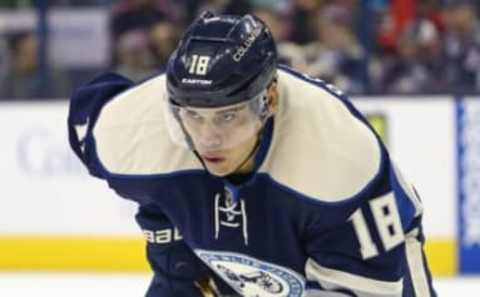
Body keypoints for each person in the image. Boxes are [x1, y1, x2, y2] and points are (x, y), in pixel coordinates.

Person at [68, 12, 437, 297]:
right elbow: (89, 116)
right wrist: (168, 238)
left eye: (228, 116)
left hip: (364, 262)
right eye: (193, 116)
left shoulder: (339, 158)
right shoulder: (132, 130)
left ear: (269, 100)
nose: (208, 139)